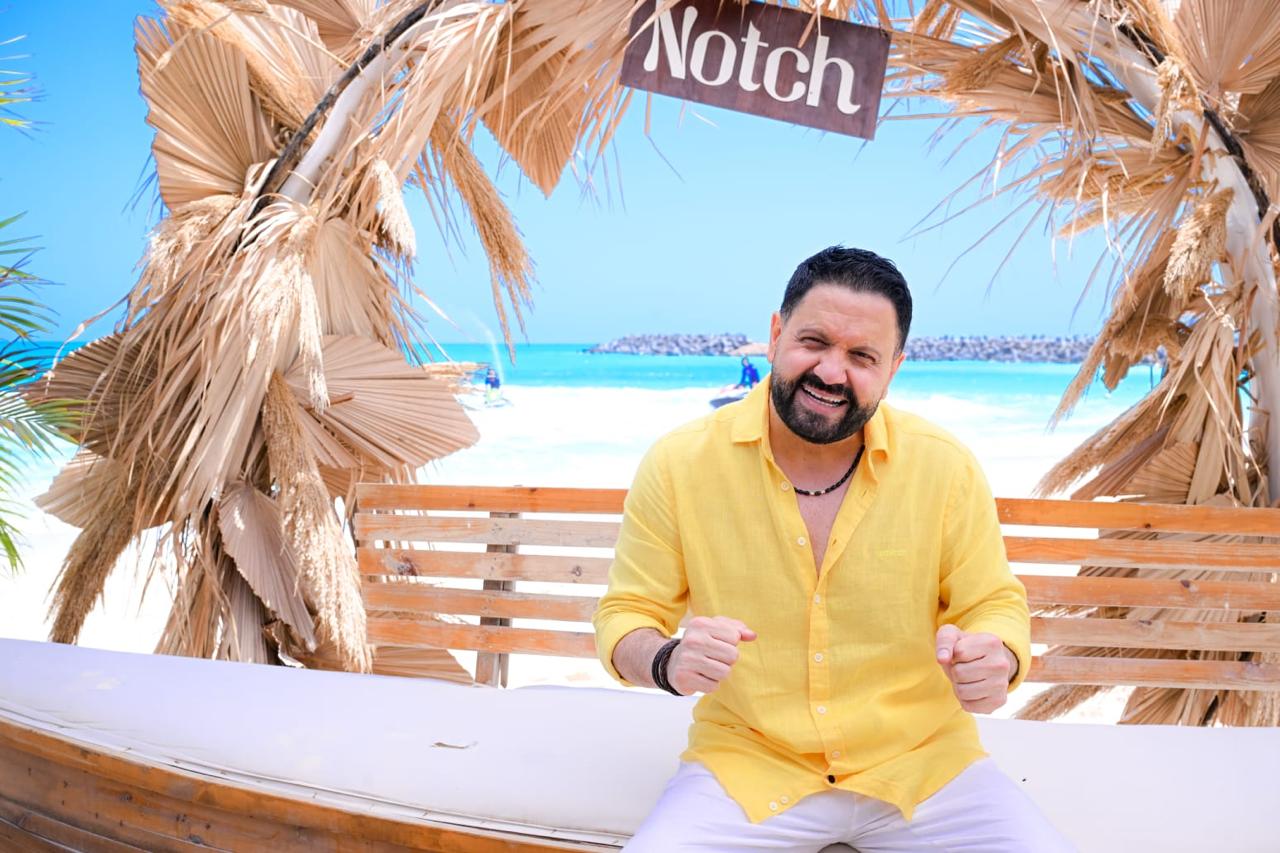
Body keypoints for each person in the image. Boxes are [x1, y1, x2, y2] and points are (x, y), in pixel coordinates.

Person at [593, 246, 1072, 851]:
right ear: (775, 335)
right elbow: (626, 615)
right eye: (814, 341)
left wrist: (997, 656)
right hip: (747, 766)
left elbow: (993, 604)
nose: (831, 372)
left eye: (862, 356)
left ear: (893, 369)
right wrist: (667, 660)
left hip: (925, 768)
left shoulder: (944, 466)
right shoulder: (679, 463)